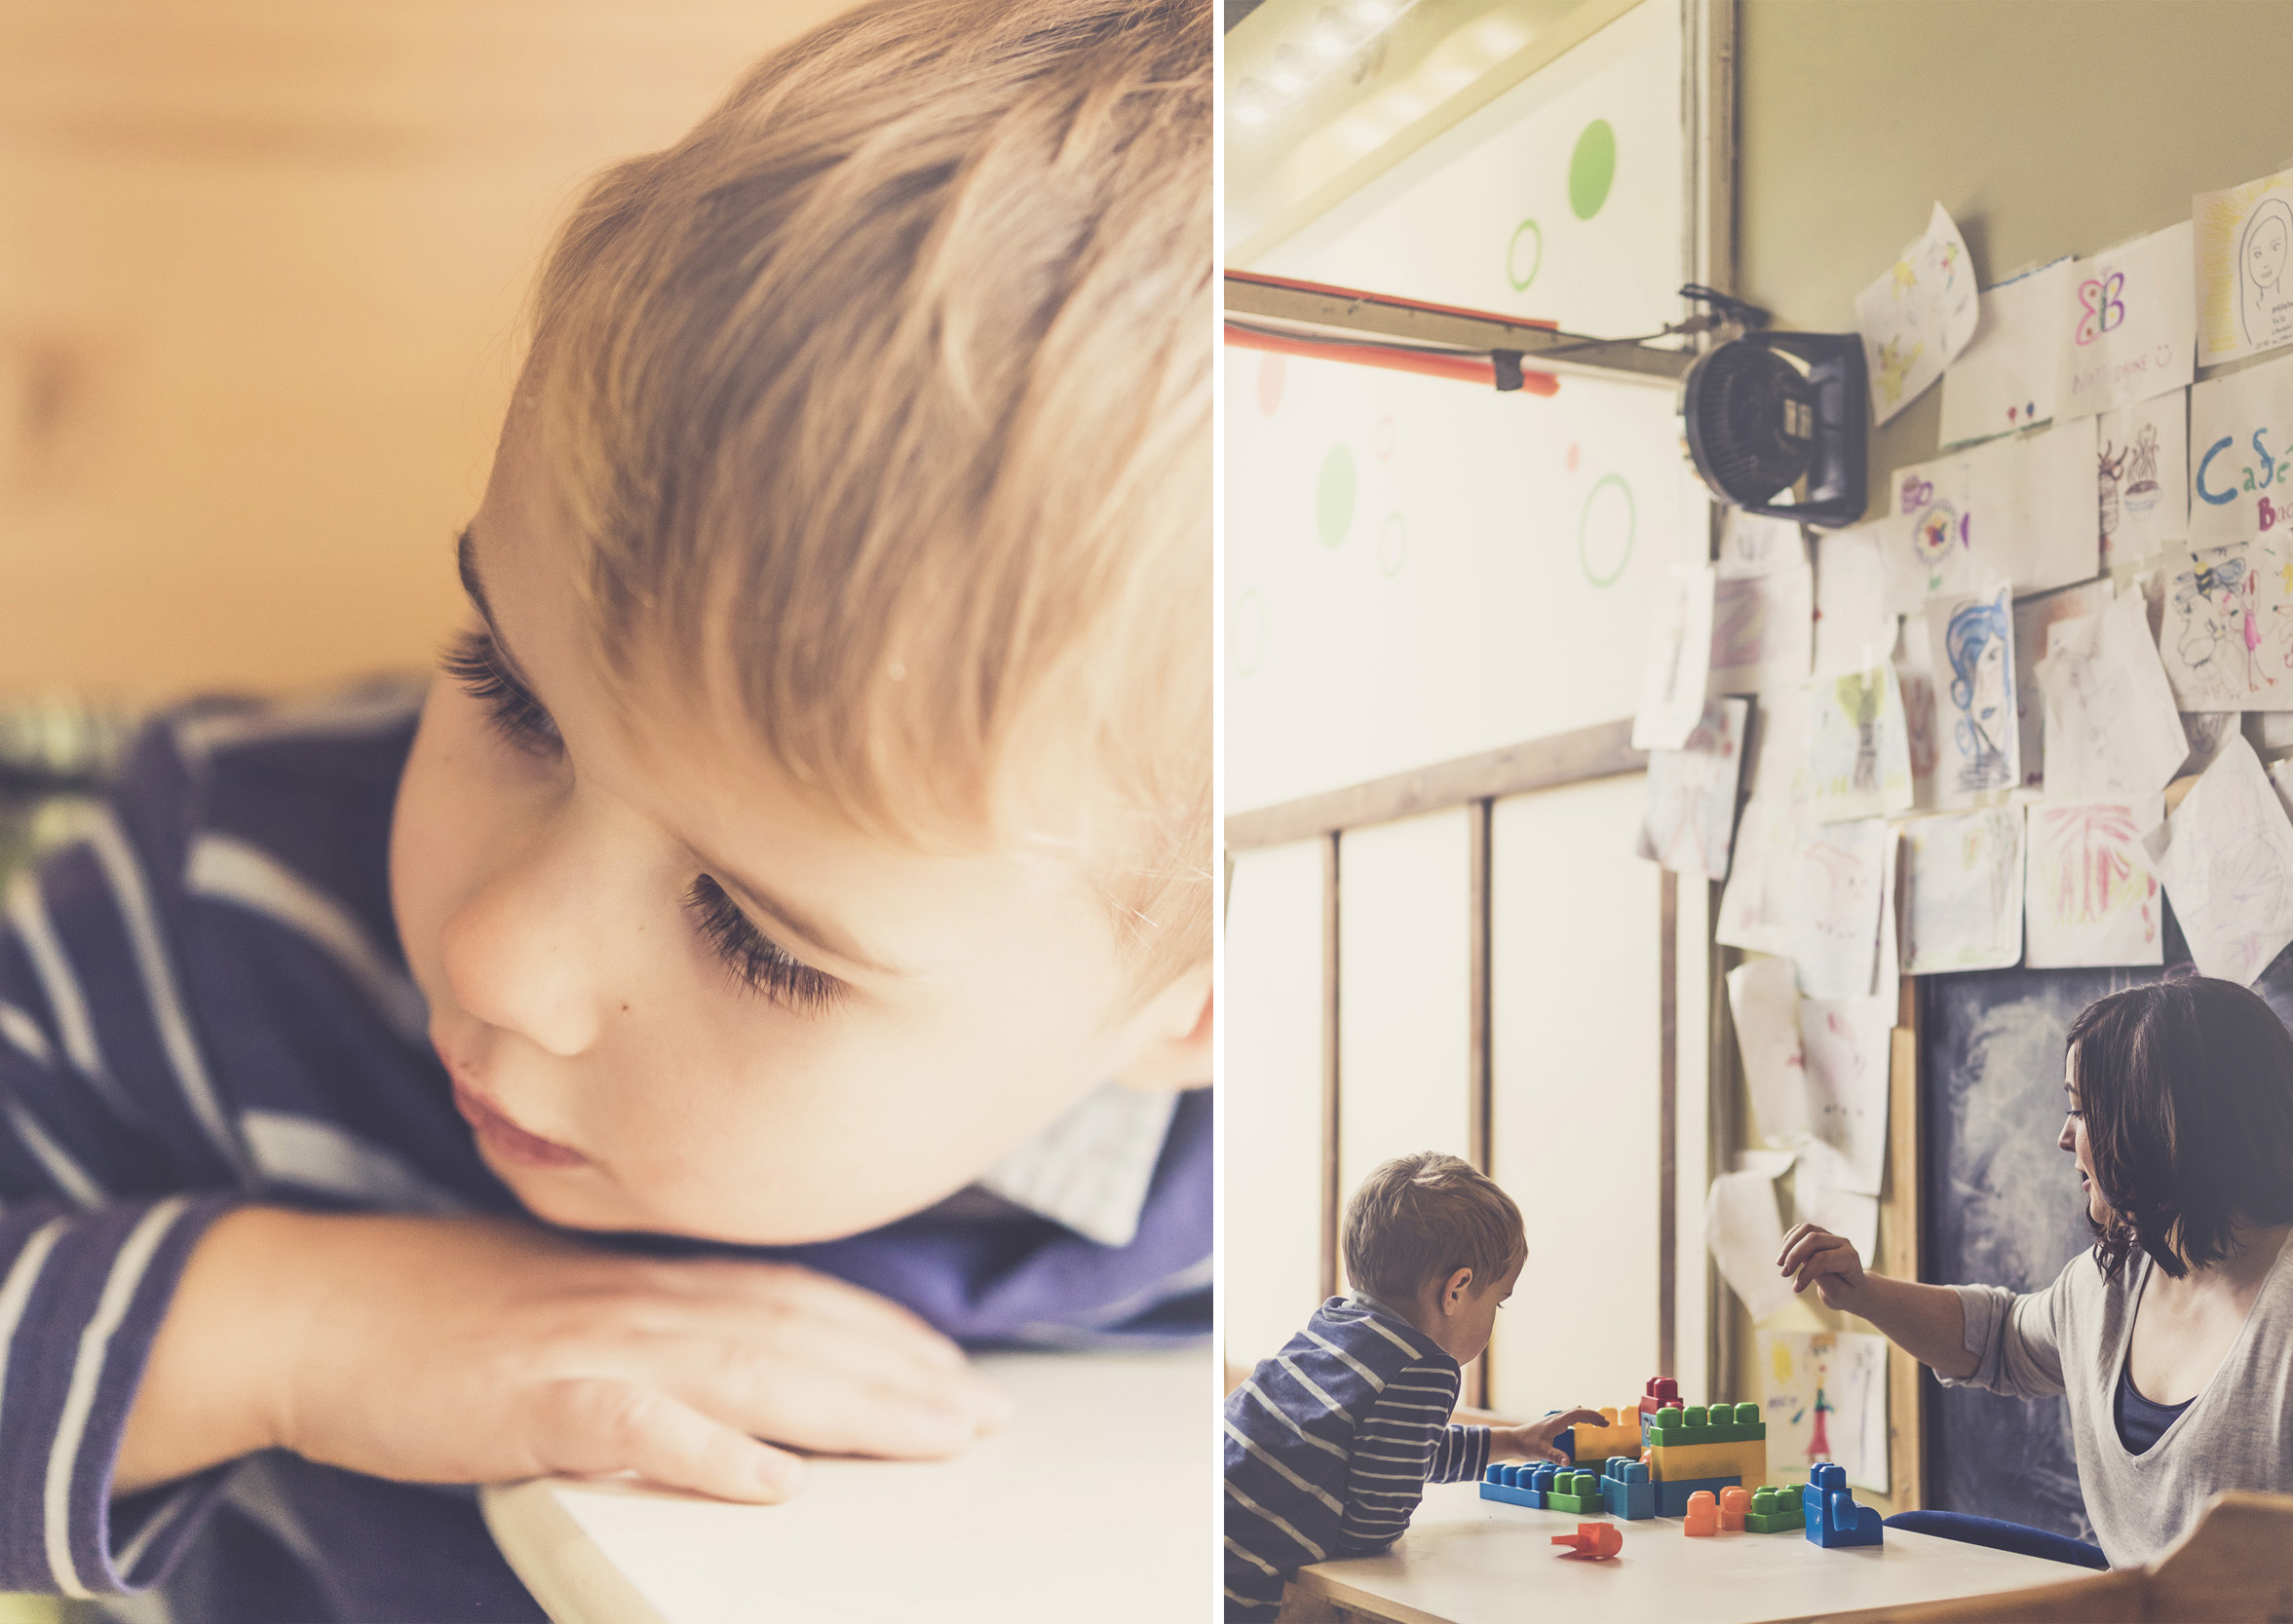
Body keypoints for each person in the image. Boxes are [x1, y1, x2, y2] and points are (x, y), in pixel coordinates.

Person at [0, 2, 1213, 1615]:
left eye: (751, 932)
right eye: (508, 688)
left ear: (1198, 1008)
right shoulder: (208, 911)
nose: (501, 957)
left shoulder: (1250, 1202)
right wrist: (281, 1326)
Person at [1780, 976, 2293, 1565]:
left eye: (2081, 1107)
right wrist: (1863, 1292)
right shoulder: (2114, 1277)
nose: (2065, 1136)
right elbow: (2002, 1337)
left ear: (2164, 1125)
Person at [1221, 1152, 1600, 1621]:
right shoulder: (1422, 1367)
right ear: (1457, 1289)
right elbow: (1369, 1532)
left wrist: (1511, 1442)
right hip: (1242, 1594)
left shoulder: (1334, 1324)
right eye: (1498, 1303)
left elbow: (1391, 1451)